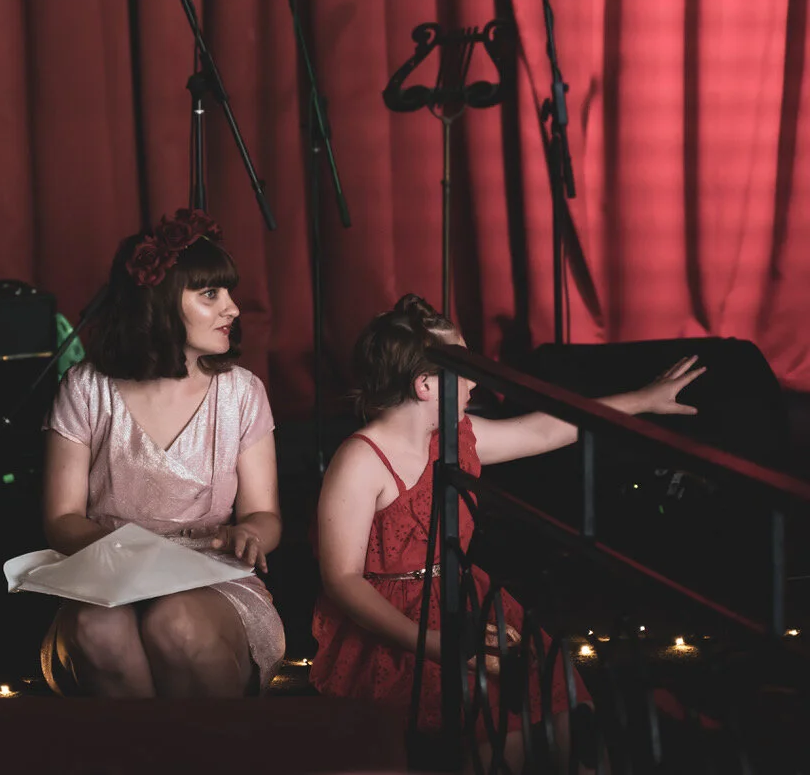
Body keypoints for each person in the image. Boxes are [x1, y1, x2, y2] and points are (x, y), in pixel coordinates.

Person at [311, 294, 704, 769]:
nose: (476, 379)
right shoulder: (360, 460)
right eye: (464, 367)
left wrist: (641, 401)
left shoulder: (455, 437)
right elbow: (343, 580)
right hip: (391, 625)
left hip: (464, 596)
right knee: (499, 729)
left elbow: (542, 431)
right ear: (426, 385)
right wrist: (437, 645)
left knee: (563, 705)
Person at [40, 208, 284, 697]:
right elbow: (61, 520)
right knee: (98, 629)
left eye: (228, 293)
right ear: (159, 301)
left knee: (176, 623)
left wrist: (251, 532)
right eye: (211, 294)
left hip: (211, 578)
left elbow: (265, 515)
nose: (233, 308)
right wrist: (135, 558)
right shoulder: (87, 388)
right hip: (109, 569)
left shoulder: (241, 392)